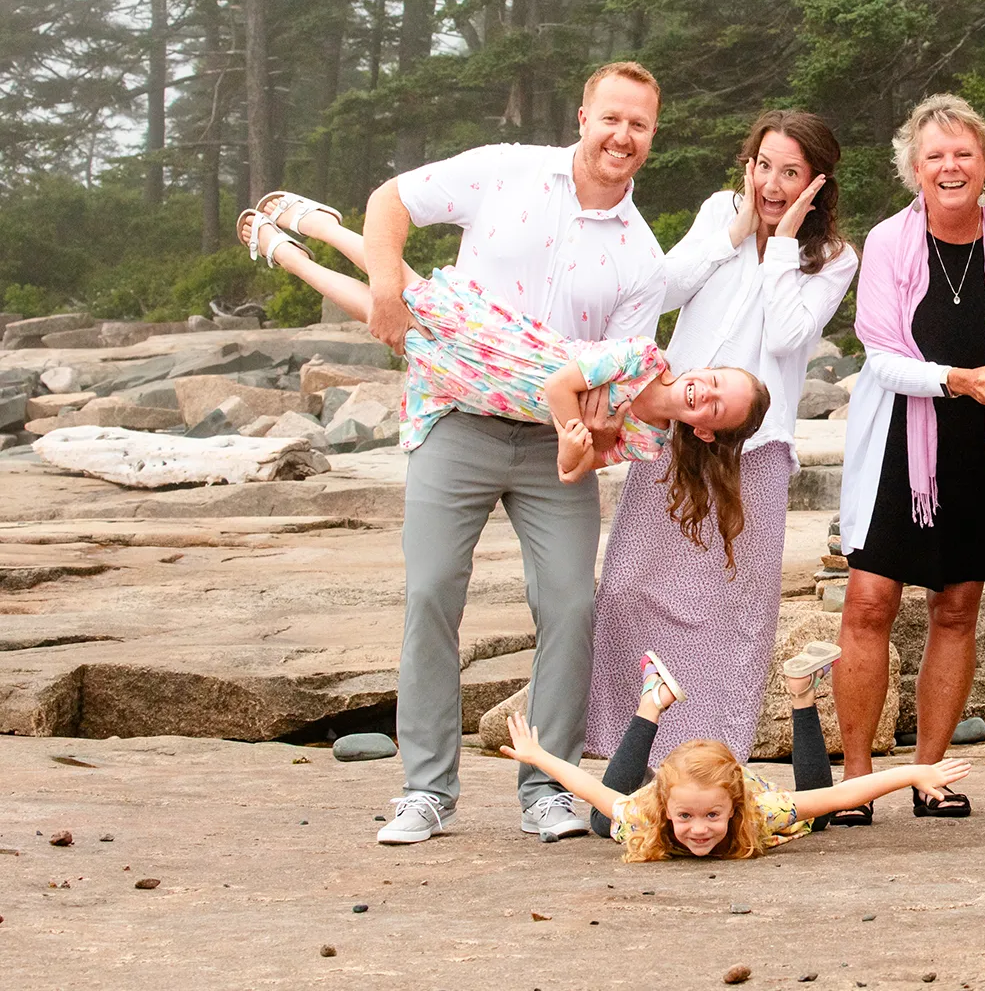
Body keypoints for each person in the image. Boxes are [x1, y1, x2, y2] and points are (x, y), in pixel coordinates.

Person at [356, 61, 671, 845]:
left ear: (651, 139)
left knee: (570, 603)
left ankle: (549, 790)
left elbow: (611, 390)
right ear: (582, 116)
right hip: (455, 421)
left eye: (638, 126)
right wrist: (387, 286)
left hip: (549, 450)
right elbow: (389, 200)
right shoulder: (504, 171)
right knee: (431, 590)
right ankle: (425, 789)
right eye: (611, 119)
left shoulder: (644, 260)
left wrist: (595, 433)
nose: (621, 136)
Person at [586, 111, 858, 765]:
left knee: (731, 610)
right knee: (626, 585)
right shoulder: (719, 212)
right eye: (764, 165)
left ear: (817, 182)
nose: (771, 183)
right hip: (676, 423)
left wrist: (784, 246)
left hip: (755, 450)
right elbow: (663, 288)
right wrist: (735, 233)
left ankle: (710, 759)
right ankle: (617, 751)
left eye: (790, 172)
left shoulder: (835, 256)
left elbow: (790, 337)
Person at [236, 206, 769, 523]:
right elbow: (563, 385)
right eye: (718, 380)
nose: (708, 391)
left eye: (719, 408)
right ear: (707, 368)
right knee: (402, 286)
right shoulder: (647, 358)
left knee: (391, 327)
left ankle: (289, 257)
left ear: (704, 432)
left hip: (487, 390)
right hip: (503, 341)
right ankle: (321, 224)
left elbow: (574, 469)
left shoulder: (650, 443)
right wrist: (578, 430)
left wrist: (573, 449)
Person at [832, 95, 985, 824]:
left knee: (956, 609)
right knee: (869, 602)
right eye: (935, 155)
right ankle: (856, 780)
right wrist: (955, 379)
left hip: (979, 442)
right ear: (915, 169)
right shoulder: (888, 241)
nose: (950, 166)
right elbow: (880, 357)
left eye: (963, 154)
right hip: (899, 442)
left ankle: (930, 775)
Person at [501, 646, 972, 860]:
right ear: (666, 808)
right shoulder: (652, 816)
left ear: (733, 809)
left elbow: (846, 794)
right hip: (667, 788)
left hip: (739, 783)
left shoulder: (760, 810)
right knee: (608, 822)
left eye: (711, 816)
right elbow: (590, 788)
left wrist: (915, 773)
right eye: (685, 817)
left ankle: (801, 694)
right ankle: (652, 700)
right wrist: (538, 757)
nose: (699, 829)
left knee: (822, 815)